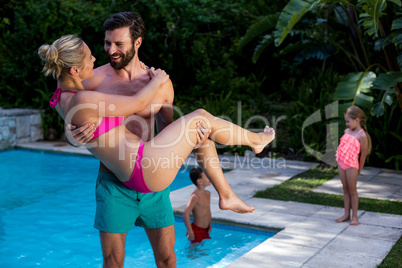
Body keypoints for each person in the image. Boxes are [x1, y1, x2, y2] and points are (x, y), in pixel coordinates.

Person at [38, 32, 275, 259]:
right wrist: (160, 79)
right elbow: (137, 102)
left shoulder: (60, 98)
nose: (95, 59)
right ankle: (257, 141)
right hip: (145, 166)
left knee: (200, 134)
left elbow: (84, 126)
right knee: (201, 117)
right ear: (74, 69)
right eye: (90, 57)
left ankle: (227, 195)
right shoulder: (82, 99)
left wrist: (74, 136)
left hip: (137, 168)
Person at [65, 12, 183, 268]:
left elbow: (168, 127)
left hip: (152, 183)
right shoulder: (93, 80)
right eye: (108, 43)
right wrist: (76, 125)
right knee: (112, 261)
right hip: (113, 183)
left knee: (167, 259)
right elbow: (66, 104)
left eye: (119, 44)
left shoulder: (159, 83)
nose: (111, 50)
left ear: (137, 42)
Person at [335, 106, 371, 226]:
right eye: (346, 121)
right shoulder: (347, 132)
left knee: (352, 190)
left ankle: (354, 216)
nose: (347, 124)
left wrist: (359, 169)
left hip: (352, 166)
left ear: (357, 120)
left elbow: (363, 155)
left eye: (348, 121)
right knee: (345, 189)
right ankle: (346, 214)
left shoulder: (362, 135)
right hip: (341, 163)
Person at [183, 167, 212, 244]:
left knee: (202, 252)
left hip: (205, 229)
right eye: (206, 177)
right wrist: (190, 232)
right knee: (193, 253)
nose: (209, 177)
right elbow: (186, 214)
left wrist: (210, 224)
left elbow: (208, 210)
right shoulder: (195, 197)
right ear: (200, 181)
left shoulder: (208, 193)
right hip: (196, 231)